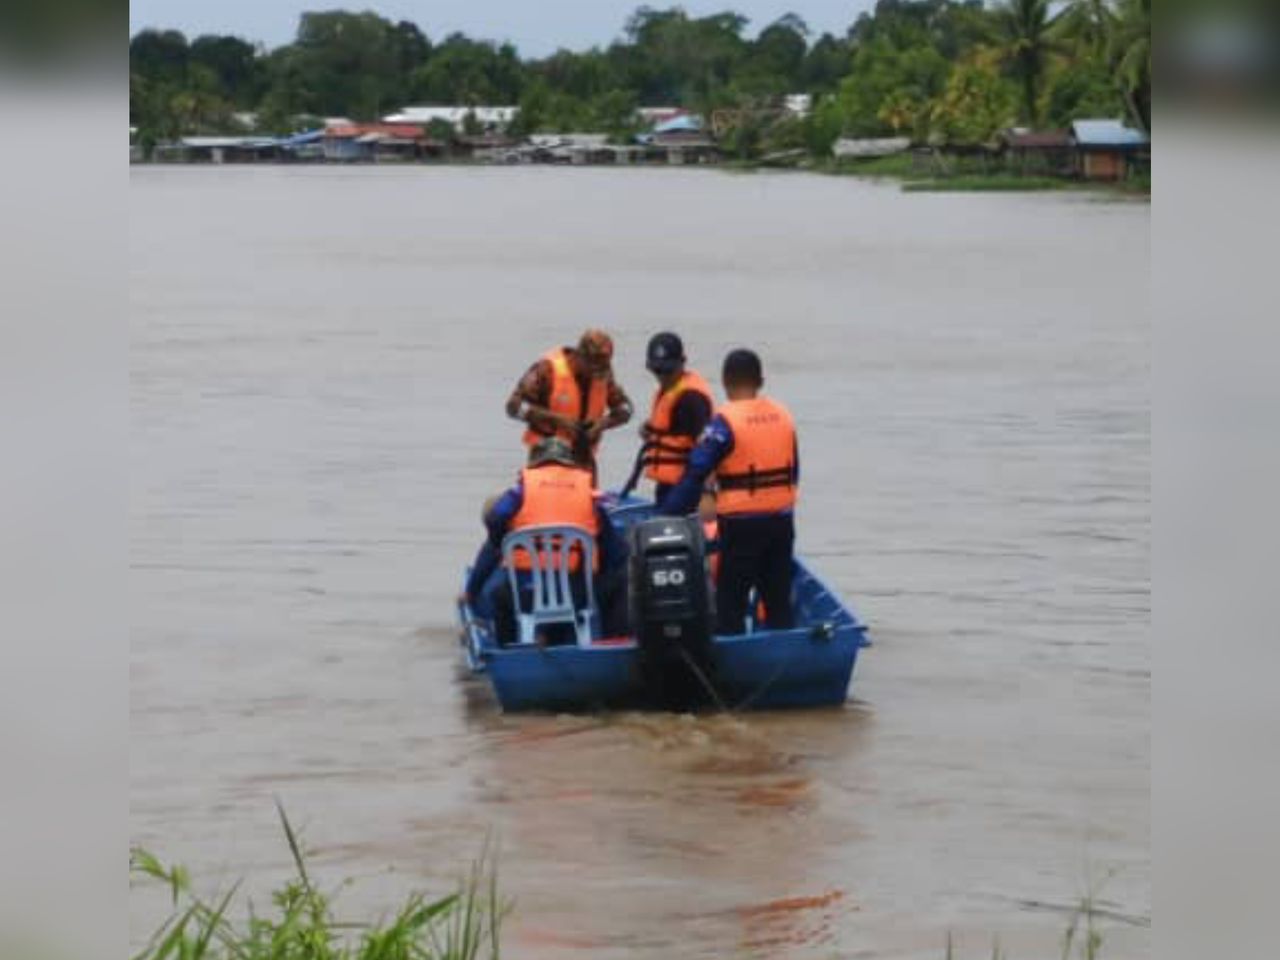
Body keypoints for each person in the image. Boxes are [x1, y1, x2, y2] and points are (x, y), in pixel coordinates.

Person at [657, 349, 798, 634]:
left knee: (730, 601)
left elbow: (696, 472)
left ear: (724, 381)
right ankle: (785, 650)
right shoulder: (784, 415)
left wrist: (665, 515)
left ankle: (732, 653)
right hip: (781, 522)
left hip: (741, 527)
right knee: (778, 600)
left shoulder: (724, 422)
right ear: (761, 380)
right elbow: (795, 471)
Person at [461, 437, 627, 643]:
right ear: (569, 463)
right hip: (575, 596)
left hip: (525, 595)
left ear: (535, 463)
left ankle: (509, 650)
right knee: (617, 580)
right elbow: (617, 553)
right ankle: (612, 641)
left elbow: (495, 518)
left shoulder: (519, 492)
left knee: (500, 596)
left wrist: (500, 540)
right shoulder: (589, 495)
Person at [505, 329, 633, 469]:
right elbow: (514, 407)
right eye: (593, 368)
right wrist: (557, 420)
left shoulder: (604, 374)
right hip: (545, 459)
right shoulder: (547, 370)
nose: (595, 375)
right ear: (580, 356)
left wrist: (602, 424)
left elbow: (626, 408)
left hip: (584, 458)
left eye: (601, 370)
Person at [639, 332, 714, 503]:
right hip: (667, 484)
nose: (662, 376)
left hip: (687, 488)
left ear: (682, 362)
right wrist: (649, 431)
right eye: (657, 370)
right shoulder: (669, 391)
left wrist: (708, 493)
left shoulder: (691, 398)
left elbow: (708, 448)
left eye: (668, 370)